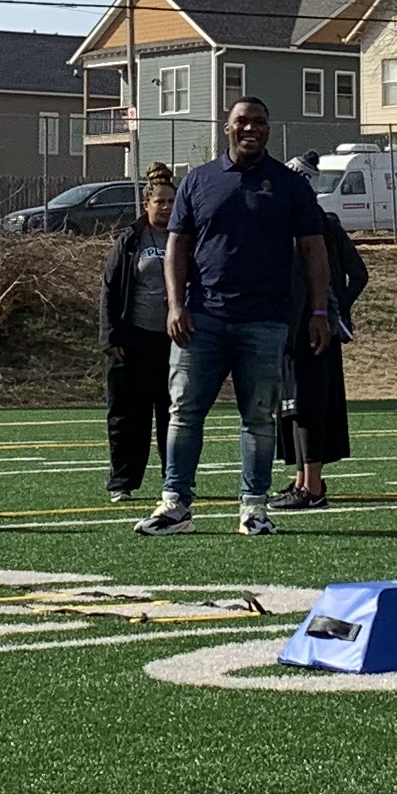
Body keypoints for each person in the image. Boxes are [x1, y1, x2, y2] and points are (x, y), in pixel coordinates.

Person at [145, 97, 332, 539]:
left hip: (264, 321)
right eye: (242, 122)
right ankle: (175, 505)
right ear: (226, 129)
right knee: (184, 412)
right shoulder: (198, 182)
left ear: (269, 129)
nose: (252, 129)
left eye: (260, 122)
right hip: (202, 318)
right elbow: (177, 246)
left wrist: (319, 310)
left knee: (259, 416)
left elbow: (314, 249)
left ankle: (254, 507)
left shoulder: (289, 185)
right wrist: (175, 304)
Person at [274, 206, 367, 511]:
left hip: (312, 329)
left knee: (308, 405)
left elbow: (356, 275)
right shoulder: (283, 224)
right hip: (290, 330)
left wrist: (332, 313)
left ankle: (312, 487)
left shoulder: (322, 228)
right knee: (293, 407)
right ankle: (303, 480)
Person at [96, 170, 176, 501]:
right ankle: (122, 482)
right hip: (134, 342)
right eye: (160, 202)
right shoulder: (131, 240)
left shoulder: (185, 237)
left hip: (173, 343)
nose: (167, 208)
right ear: (146, 204)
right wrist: (110, 337)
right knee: (129, 417)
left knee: (173, 418)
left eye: (172, 202)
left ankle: (174, 482)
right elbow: (110, 289)